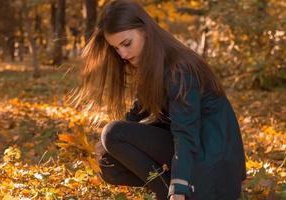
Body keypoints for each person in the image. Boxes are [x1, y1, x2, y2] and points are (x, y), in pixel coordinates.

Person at [73, 0, 246, 199]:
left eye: (126, 43)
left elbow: (186, 134)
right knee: (108, 163)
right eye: (116, 48)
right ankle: (172, 192)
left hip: (212, 164)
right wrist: (104, 150)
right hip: (197, 159)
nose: (122, 54)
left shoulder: (179, 69)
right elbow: (135, 116)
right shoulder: (154, 67)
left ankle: (177, 193)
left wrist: (179, 186)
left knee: (113, 133)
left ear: (145, 30)